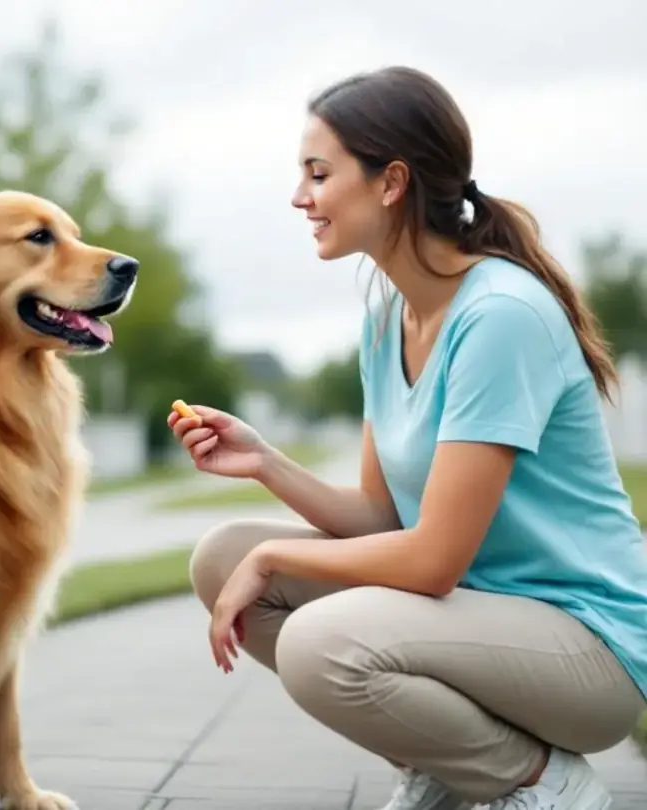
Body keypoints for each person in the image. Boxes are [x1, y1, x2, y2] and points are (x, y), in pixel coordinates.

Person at [169, 66, 647, 810]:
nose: (301, 197)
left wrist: (275, 555)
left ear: (390, 183)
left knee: (318, 640)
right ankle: (448, 763)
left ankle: (541, 783)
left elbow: (430, 560)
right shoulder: (388, 318)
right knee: (220, 557)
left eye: (318, 174)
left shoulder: (499, 317)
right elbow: (384, 517)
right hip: (481, 621)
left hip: (588, 653)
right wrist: (266, 462)